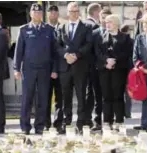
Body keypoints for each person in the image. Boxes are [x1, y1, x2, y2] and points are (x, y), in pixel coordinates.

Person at [13, 3, 58, 135]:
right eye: (35, 12)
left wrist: (54, 69)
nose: (37, 14)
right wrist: (16, 68)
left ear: (42, 14)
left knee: (43, 99)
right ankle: (25, 126)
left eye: (39, 12)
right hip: (29, 69)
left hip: (45, 69)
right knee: (27, 98)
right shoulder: (24, 30)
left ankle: (40, 126)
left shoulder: (49, 29)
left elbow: (54, 52)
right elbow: (18, 51)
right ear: (30, 14)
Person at [56, 2, 92, 134]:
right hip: (65, 67)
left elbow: (88, 44)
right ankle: (67, 122)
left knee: (81, 96)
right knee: (66, 97)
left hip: (80, 66)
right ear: (67, 12)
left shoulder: (86, 27)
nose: (74, 13)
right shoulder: (61, 27)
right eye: (72, 11)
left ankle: (81, 123)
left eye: (76, 11)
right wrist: (66, 55)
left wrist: (76, 55)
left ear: (80, 13)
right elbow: (57, 45)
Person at [95, 14, 132, 131]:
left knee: (118, 96)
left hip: (119, 70)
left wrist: (114, 60)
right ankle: (107, 121)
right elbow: (98, 52)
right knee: (106, 96)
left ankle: (119, 121)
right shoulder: (100, 37)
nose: (107, 24)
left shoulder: (125, 38)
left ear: (116, 23)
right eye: (106, 22)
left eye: (109, 22)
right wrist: (106, 61)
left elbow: (127, 53)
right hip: (104, 70)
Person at [89, 8, 112, 131]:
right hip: (97, 69)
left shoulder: (115, 32)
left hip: (111, 69)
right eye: (102, 17)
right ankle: (98, 121)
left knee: (110, 96)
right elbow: (93, 52)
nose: (104, 20)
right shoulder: (94, 33)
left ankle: (110, 121)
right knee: (98, 96)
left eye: (107, 18)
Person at [83, 3, 102, 128]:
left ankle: (86, 118)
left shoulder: (83, 25)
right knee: (96, 94)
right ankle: (96, 119)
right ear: (96, 13)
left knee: (87, 93)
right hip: (94, 65)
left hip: (83, 65)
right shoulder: (95, 26)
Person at [45, 5, 63, 131]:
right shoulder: (43, 29)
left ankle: (58, 123)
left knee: (60, 98)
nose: (53, 15)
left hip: (61, 69)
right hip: (46, 69)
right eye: (51, 12)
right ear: (47, 14)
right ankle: (46, 123)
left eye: (55, 12)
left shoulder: (63, 28)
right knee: (45, 97)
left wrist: (56, 69)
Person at [120, 24, 134, 119]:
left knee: (120, 93)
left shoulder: (119, 41)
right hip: (129, 70)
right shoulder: (131, 41)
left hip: (120, 70)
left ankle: (122, 112)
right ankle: (127, 113)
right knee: (128, 94)